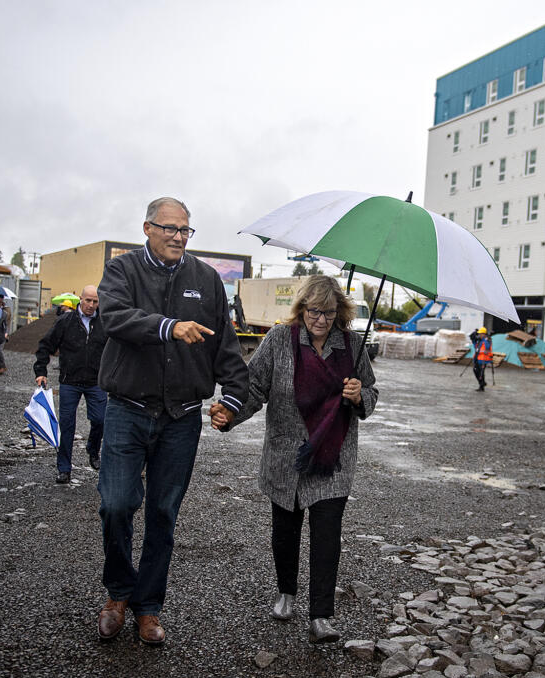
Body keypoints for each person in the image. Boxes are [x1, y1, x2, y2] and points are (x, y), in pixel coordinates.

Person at [94, 197, 249, 647]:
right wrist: (169, 326)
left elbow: (226, 346)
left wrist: (233, 400)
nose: (179, 237)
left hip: (181, 417)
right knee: (117, 504)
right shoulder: (122, 271)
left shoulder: (205, 279)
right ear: (147, 228)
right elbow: (114, 317)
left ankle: (148, 607)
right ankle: (118, 593)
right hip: (127, 408)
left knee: (164, 512)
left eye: (185, 230)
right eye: (170, 229)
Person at [211, 274, 378, 645]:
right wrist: (230, 414)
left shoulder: (352, 345)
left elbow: (371, 390)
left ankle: (321, 616)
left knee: (327, 534)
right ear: (302, 309)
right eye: (315, 312)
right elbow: (255, 387)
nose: (321, 320)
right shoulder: (278, 340)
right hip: (286, 455)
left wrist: (357, 395)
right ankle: (286, 592)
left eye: (330, 313)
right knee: (285, 532)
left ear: (340, 313)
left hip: (332, 458)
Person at [34, 285, 108, 484]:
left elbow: (115, 351)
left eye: (95, 302)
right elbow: (45, 345)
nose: (91, 305)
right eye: (88, 301)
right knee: (67, 424)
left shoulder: (104, 323)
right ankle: (64, 468)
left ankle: (93, 450)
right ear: (80, 300)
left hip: (96, 382)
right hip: (70, 381)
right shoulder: (65, 321)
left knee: (101, 420)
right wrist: (41, 371)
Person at [469, 327, 493, 391]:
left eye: (480, 334)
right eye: (479, 334)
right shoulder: (479, 341)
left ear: (484, 334)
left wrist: (487, 338)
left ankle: (481, 386)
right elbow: (471, 337)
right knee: (475, 371)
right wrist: (475, 332)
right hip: (477, 359)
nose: (479, 335)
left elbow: (487, 347)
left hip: (483, 360)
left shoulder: (486, 340)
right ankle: (482, 383)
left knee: (481, 373)